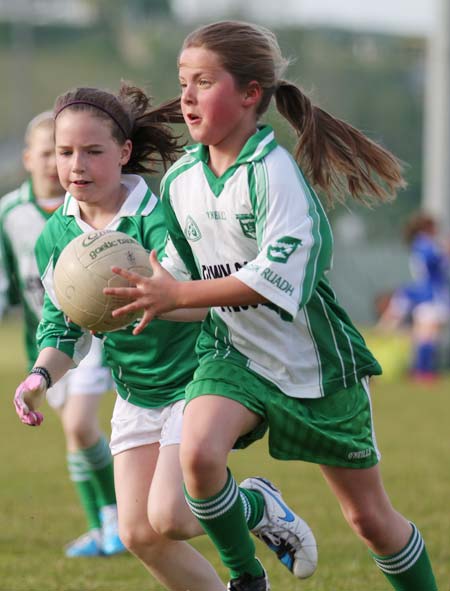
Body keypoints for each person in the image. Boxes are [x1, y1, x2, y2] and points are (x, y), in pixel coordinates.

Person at [105, 21, 438, 591]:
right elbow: (181, 275)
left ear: (250, 94)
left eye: (203, 82)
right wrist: (150, 299)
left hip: (316, 366)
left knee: (370, 521)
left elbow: (272, 281)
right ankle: (246, 578)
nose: (185, 97)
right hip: (233, 355)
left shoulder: (273, 174)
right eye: (183, 82)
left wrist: (179, 294)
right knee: (201, 456)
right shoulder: (184, 179)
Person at [12, 84, 317, 591]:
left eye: (93, 151)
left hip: (196, 380)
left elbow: (196, 300)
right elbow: (61, 326)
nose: (75, 166)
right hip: (136, 390)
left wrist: (160, 300)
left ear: (124, 152)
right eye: (66, 153)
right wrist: (40, 375)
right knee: (138, 533)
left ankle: (256, 504)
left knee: (171, 516)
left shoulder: (160, 218)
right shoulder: (55, 237)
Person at [0, 111, 123, 558]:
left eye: (65, 151)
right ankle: (103, 527)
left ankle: (116, 520)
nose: (58, 162)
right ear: (28, 158)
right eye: (50, 151)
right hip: (46, 337)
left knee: (79, 423)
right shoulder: (11, 212)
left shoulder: (88, 208)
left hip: (91, 335)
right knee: (75, 435)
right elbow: (9, 278)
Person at [377, 211, 450, 382]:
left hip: (428, 292)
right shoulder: (425, 243)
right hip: (430, 294)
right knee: (427, 334)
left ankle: (420, 371)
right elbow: (435, 258)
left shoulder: (420, 243)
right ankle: (422, 373)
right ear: (428, 227)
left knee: (423, 333)